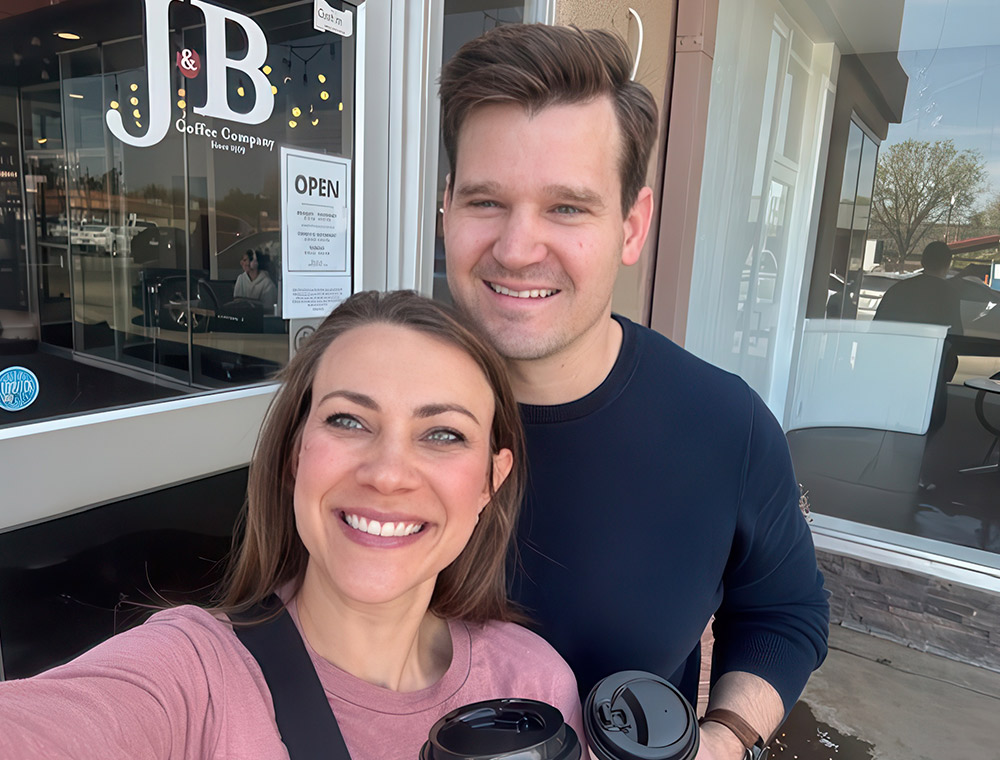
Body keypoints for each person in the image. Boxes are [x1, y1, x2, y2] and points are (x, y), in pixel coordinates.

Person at [439, 24, 829, 760]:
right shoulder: (372, 411)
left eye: (567, 208)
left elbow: (784, 612)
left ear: (632, 225)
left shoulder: (723, 425)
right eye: (486, 201)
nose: (518, 248)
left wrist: (725, 739)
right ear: (447, 208)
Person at [0, 290, 584, 760]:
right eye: (350, 421)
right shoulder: (193, 677)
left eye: (443, 434)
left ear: (490, 480)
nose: (387, 474)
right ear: (294, 454)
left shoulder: (533, 685)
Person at [874, 241, 963, 332]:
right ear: (947, 265)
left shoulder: (897, 289)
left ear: (922, 262)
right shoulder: (950, 294)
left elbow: (876, 327)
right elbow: (955, 333)